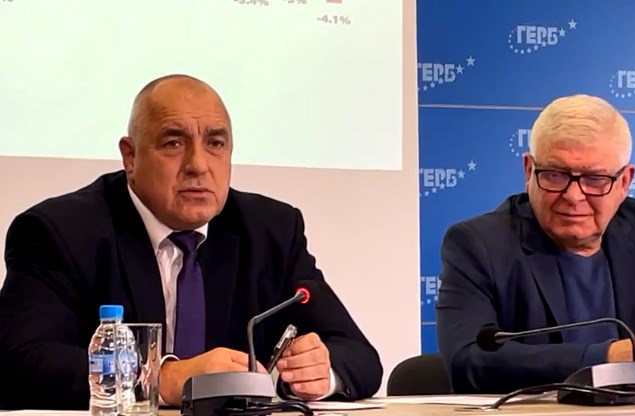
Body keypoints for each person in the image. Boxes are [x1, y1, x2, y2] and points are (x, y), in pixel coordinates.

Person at [0, 74, 382, 409]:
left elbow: (359, 356)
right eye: (173, 143)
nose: (198, 165)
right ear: (130, 157)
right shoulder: (61, 231)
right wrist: (162, 379)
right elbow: (17, 361)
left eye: (215, 143)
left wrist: (321, 373)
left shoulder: (271, 230)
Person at [436, 94, 635, 395]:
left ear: (625, 182)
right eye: (554, 175)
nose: (574, 196)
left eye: (595, 179)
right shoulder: (479, 244)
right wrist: (606, 358)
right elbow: (468, 360)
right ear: (528, 171)